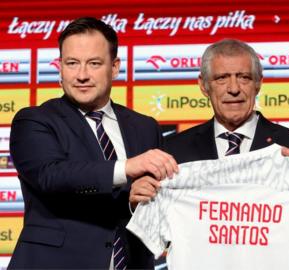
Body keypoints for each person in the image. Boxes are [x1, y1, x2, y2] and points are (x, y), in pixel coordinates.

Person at [8, 17, 177, 269]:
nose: (82, 75)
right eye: (72, 63)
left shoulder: (145, 127)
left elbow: (162, 207)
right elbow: (50, 175)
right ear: (60, 67)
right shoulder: (34, 120)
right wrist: (126, 167)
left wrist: (136, 203)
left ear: (115, 67)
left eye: (94, 63)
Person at [130, 38, 289, 203]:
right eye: (222, 78)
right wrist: (139, 204)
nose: (233, 88)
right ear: (204, 85)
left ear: (258, 83)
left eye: (244, 77)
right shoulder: (174, 150)